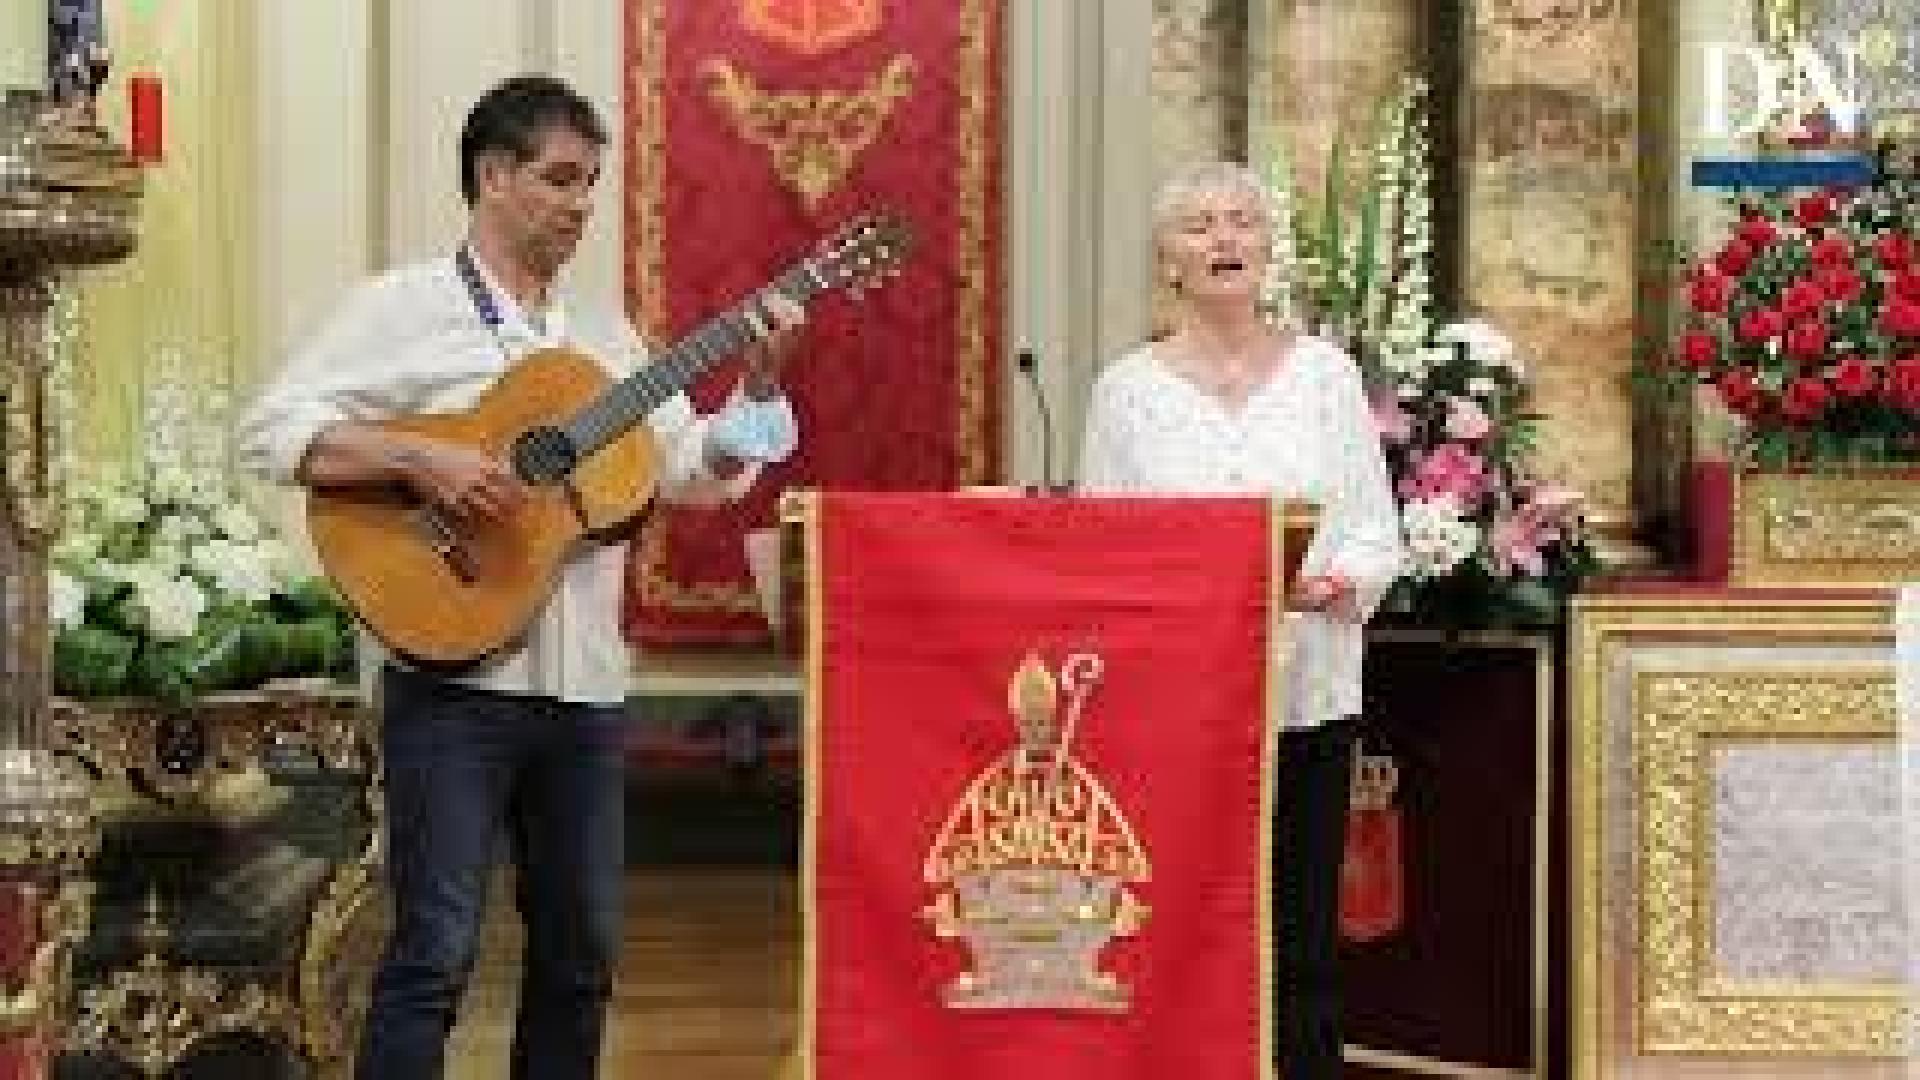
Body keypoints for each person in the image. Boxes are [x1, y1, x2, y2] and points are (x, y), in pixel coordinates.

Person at [238, 74, 806, 1080]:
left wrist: (757, 386)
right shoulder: (400, 308)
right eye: (559, 179)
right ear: (493, 175)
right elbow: (269, 433)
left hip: (586, 694)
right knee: (434, 954)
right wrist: (421, 459)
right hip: (453, 686)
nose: (582, 204)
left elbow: (690, 474)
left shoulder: (607, 341)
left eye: (591, 183)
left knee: (581, 959)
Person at [1075, 161, 1405, 1080]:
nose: (1224, 238)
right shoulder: (1125, 393)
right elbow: (1104, 552)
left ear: (1268, 248)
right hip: (1177, 708)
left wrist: (1334, 585)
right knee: (1179, 926)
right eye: (1200, 225)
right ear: (1167, 261)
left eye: (1242, 221)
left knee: (1302, 941)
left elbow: (1374, 531)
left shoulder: (1327, 378)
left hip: (1308, 695)